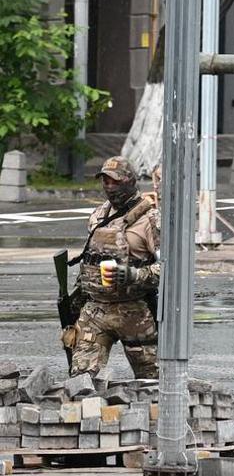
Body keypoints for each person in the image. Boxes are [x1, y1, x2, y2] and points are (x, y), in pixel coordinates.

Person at [67, 156, 160, 379]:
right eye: (105, 181)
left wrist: (133, 274)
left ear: (131, 181)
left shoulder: (151, 219)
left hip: (135, 312)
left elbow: (170, 270)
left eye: (115, 181)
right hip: (96, 311)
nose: (109, 187)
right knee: (82, 381)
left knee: (152, 381)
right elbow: (91, 258)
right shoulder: (99, 215)